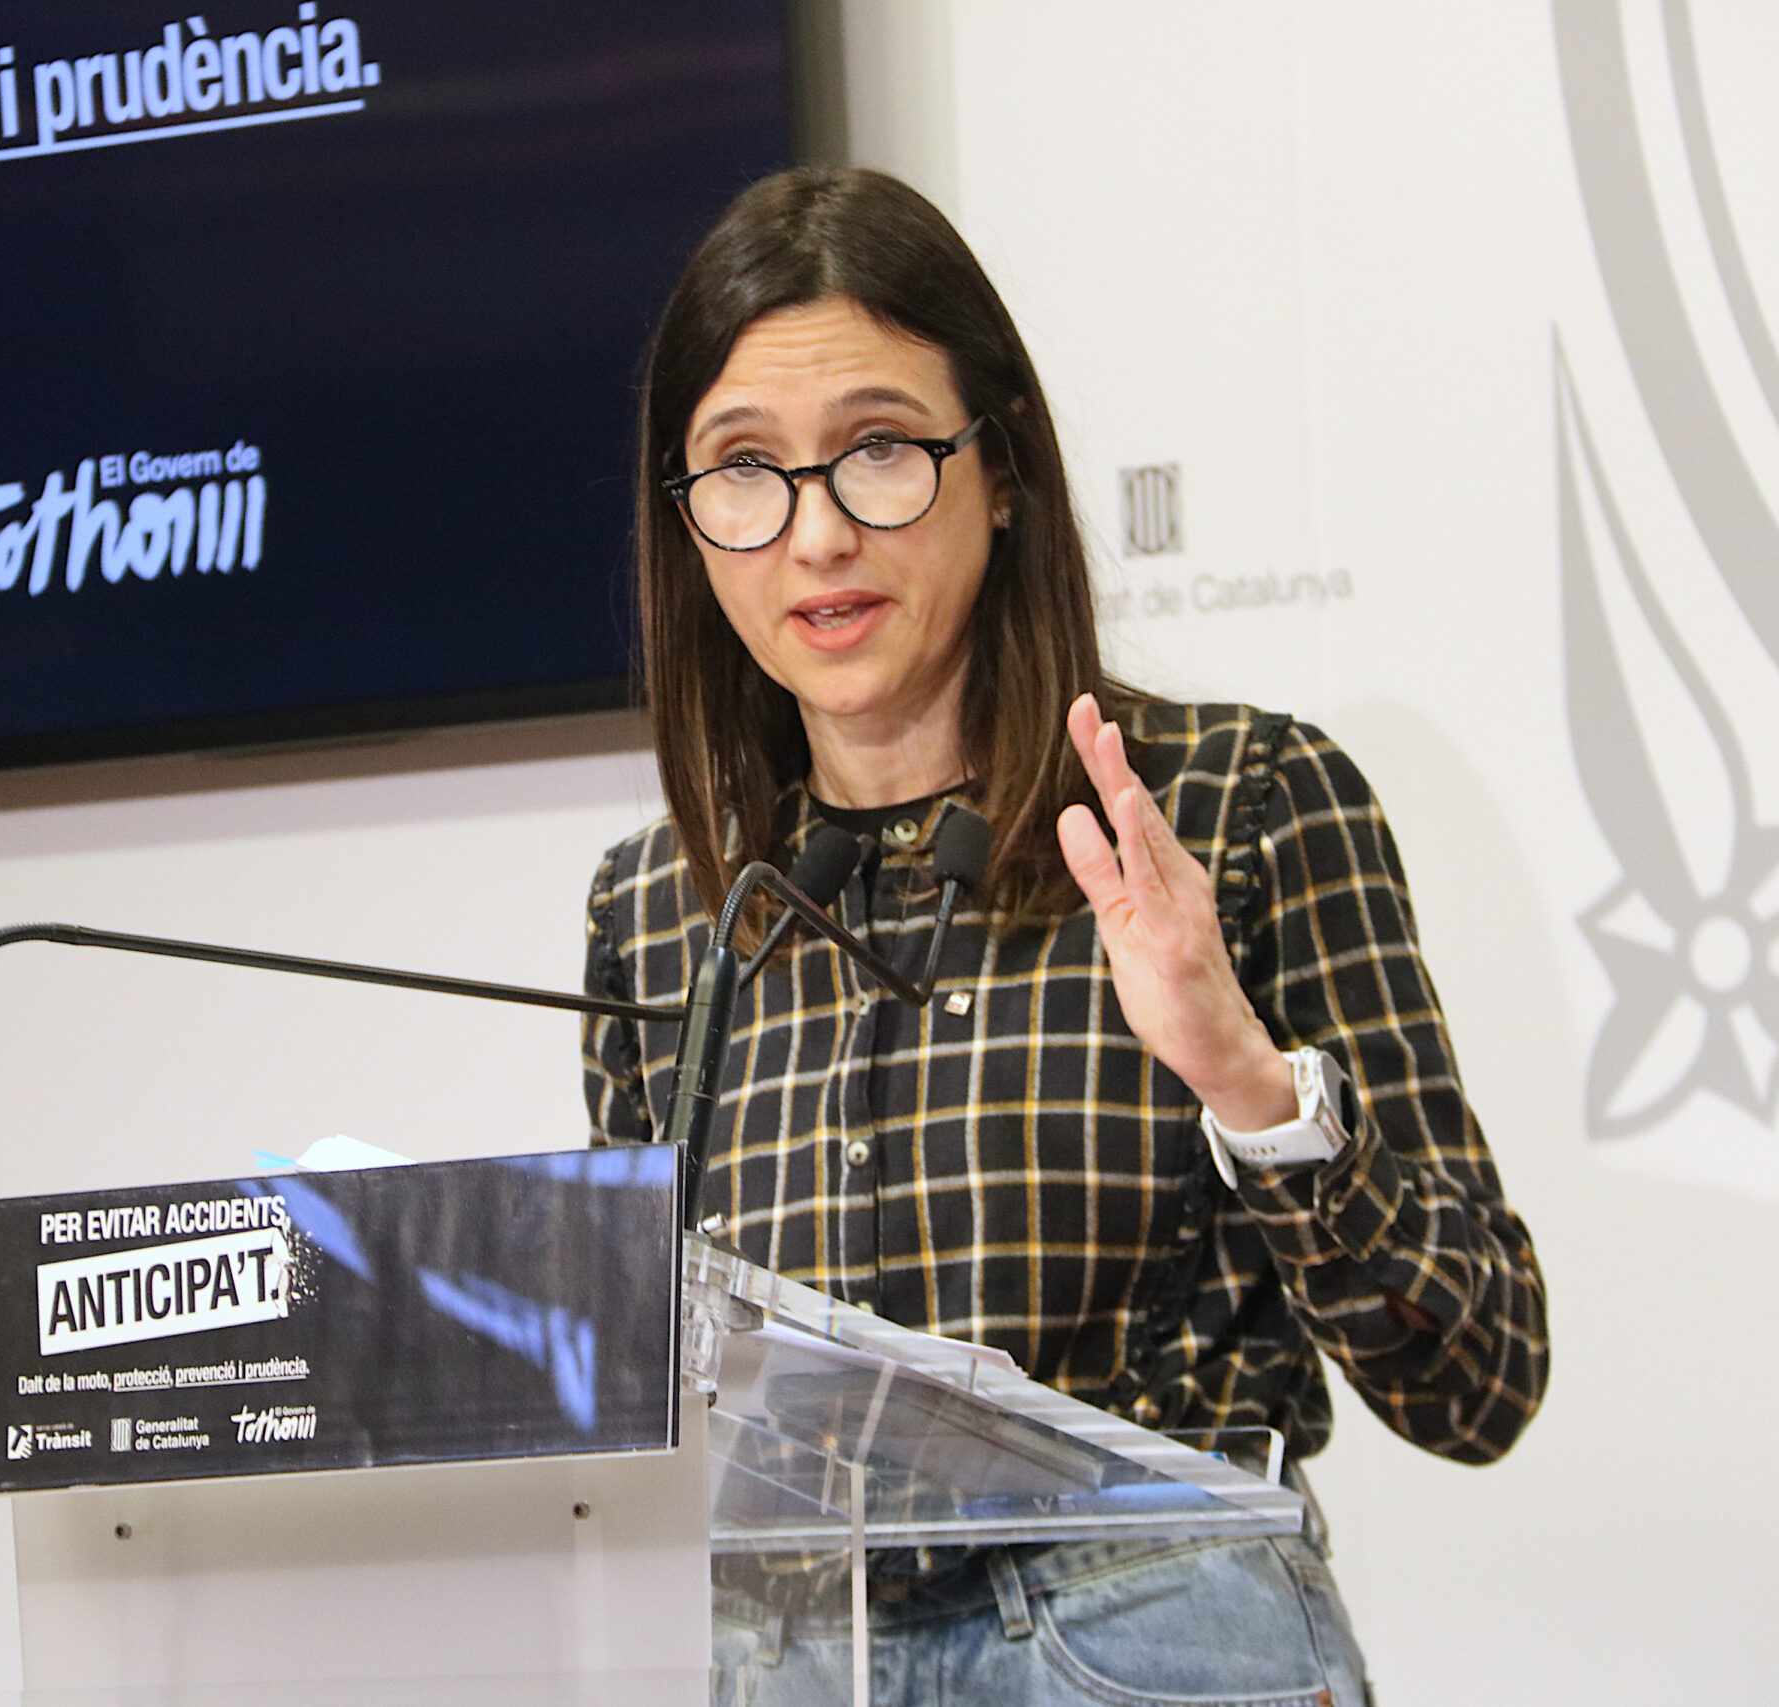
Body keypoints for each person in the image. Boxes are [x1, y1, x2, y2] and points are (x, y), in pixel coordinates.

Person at [582, 166, 1547, 1707]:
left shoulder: (1238, 806)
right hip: (786, 1658)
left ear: (1003, 468)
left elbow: (1477, 1379)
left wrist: (1247, 1083)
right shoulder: (660, 908)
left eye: (880, 450)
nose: (816, 535)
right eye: (744, 468)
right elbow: (643, 1421)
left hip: (1141, 1636)